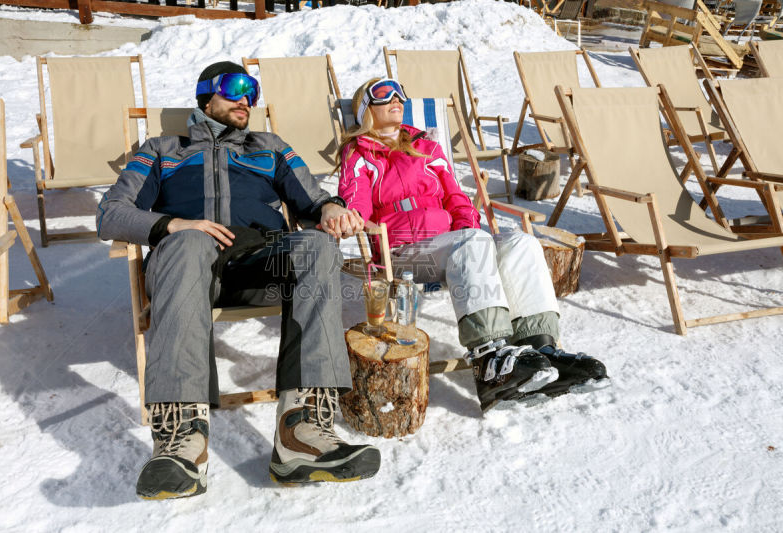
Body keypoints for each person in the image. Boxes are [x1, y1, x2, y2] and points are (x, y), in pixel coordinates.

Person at [97, 61, 380, 500]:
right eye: (234, 88)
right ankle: (181, 441)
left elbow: (315, 199)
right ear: (206, 95)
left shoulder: (269, 147)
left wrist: (329, 210)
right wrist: (174, 225)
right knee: (191, 245)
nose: (245, 99)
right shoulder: (161, 148)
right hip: (186, 268)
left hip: (260, 260)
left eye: (252, 91)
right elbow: (111, 212)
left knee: (319, 248)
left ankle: (301, 433)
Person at [337, 78, 609, 412]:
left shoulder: (427, 146)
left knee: (521, 243)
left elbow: (456, 197)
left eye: (400, 92)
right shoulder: (360, 153)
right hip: (403, 254)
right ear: (366, 110)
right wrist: (349, 216)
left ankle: (540, 348)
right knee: (473, 241)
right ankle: (490, 359)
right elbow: (356, 205)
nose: (396, 98)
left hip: (453, 243)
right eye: (382, 94)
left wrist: (468, 229)